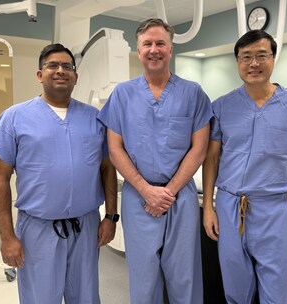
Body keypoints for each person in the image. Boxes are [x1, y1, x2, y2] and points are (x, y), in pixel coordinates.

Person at [202, 30, 287, 304]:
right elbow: (212, 159)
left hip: (272, 209)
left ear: (273, 59)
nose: (254, 63)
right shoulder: (223, 106)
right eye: (246, 57)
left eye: (261, 56)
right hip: (229, 206)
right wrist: (208, 207)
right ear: (238, 62)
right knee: (235, 287)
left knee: (278, 292)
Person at [0, 43, 118, 304]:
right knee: (40, 298)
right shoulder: (13, 118)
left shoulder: (95, 118)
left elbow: (107, 168)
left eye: (67, 67)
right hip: (38, 229)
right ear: (40, 74)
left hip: (86, 225)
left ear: (75, 77)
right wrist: (7, 236)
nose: (60, 71)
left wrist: (111, 217)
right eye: (53, 65)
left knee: (86, 296)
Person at [98, 18, 213, 304]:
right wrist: (147, 190)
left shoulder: (193, 93)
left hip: (180, 198)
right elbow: (115, 150)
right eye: (147, 44)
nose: (154, 49)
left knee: (184, 277)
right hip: (139, 198)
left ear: (170, 50)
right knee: (143, 277)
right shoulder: (123, 95)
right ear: (138, 51)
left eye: (160, 43)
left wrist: (169, 191)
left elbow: (199, 150)